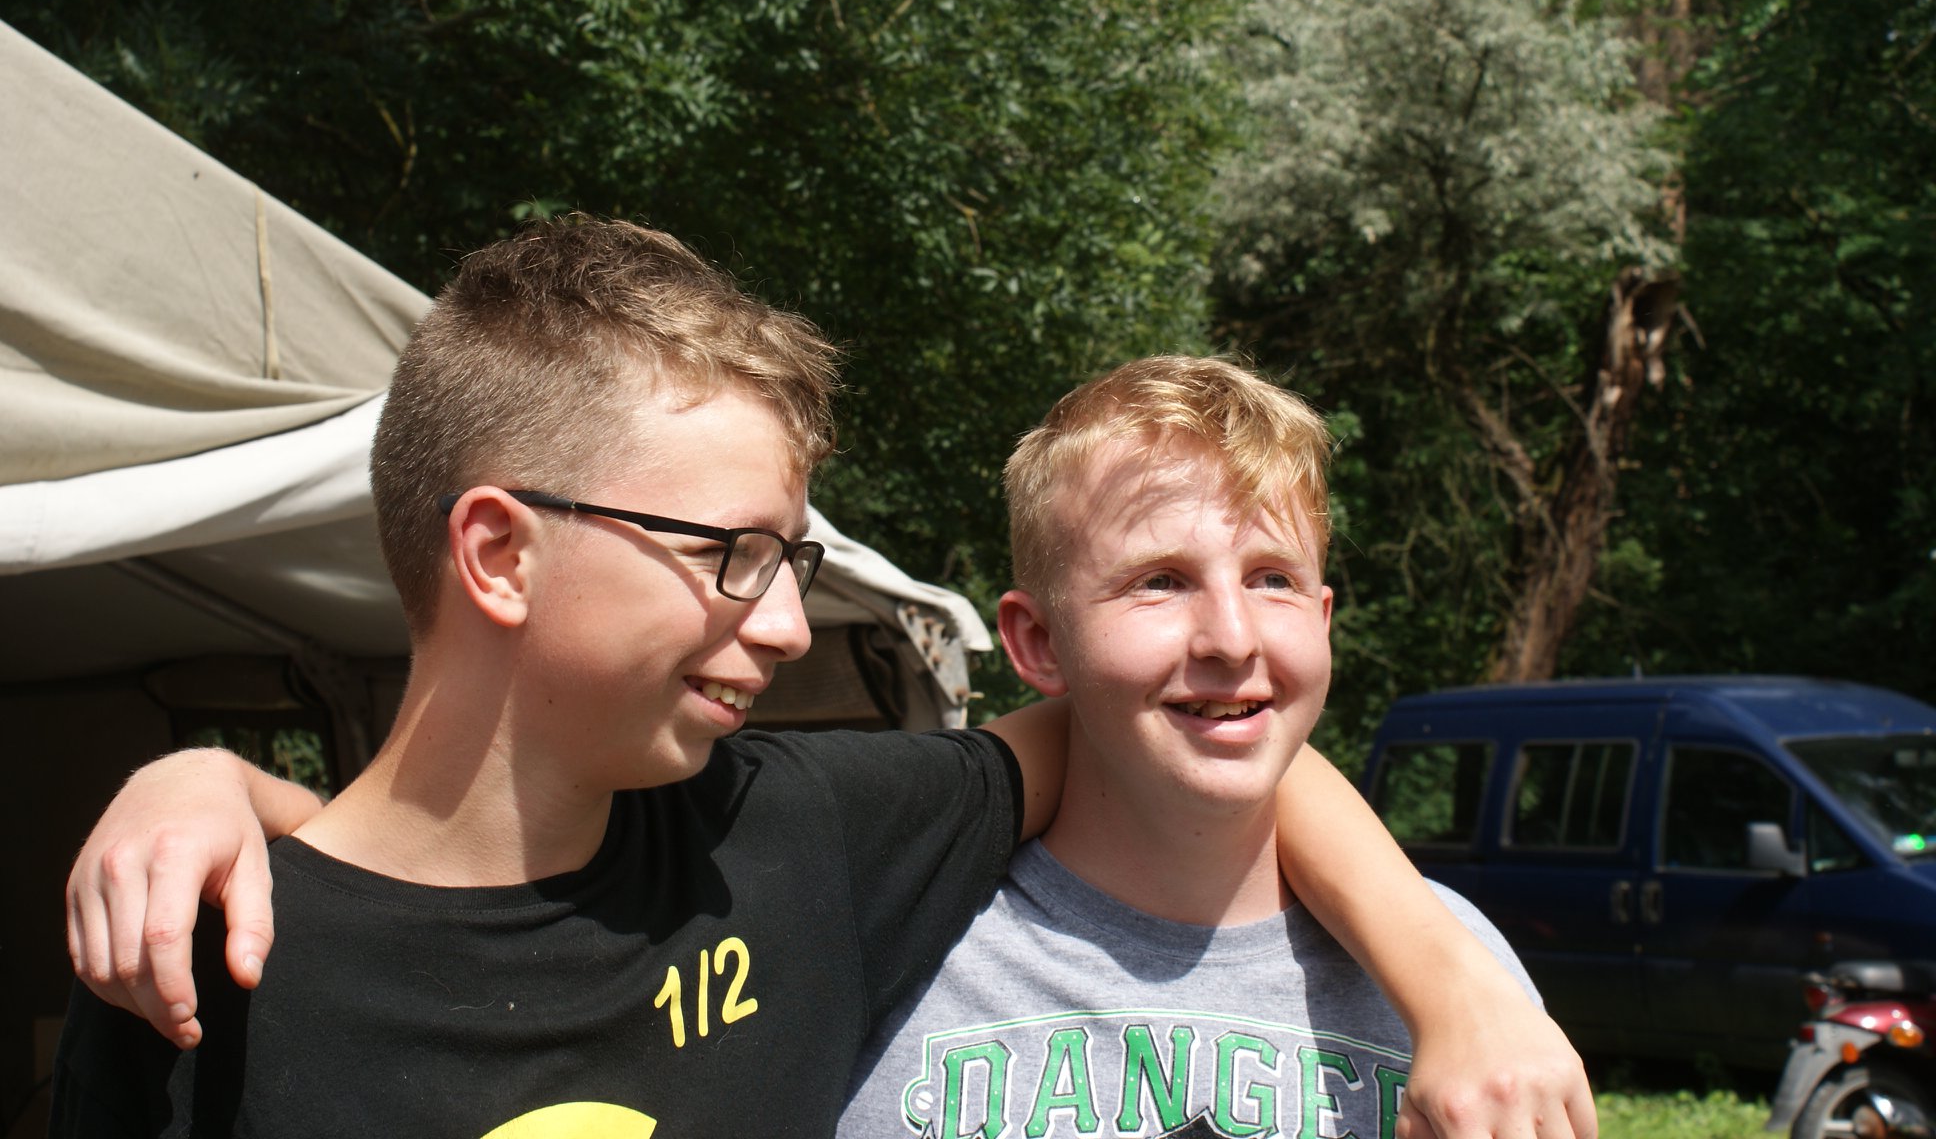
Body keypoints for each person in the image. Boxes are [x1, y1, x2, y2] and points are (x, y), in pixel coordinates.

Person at [55, 218, 1588, 1137]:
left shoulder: (793, 843)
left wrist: (1450, 980)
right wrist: (219, 793)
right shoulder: (191, 973)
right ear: (501, 555)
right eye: (731, 554)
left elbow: (1189, 731)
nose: (789, 627)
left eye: (791, 559)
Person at [838, 356, 1567, 1139]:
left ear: (1323, 621)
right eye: (1160, 580)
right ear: (1039, 641)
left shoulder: (1467, 981)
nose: (1233, 638)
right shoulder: (897, 946)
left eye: (1273, 580)